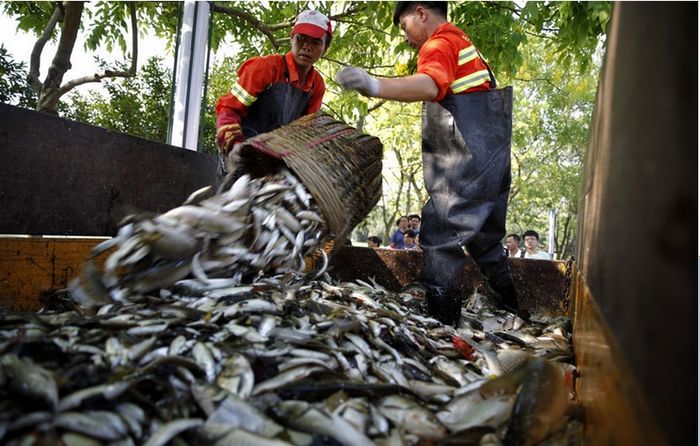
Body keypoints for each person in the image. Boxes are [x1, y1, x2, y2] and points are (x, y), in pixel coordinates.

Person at [335, 1, 523, 324]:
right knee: (486, 241)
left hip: (467, 157)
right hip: (492, 160)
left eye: (405, 26)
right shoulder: (464, 44)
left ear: (421, 12)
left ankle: (440, 323)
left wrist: (373, 84)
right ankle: (516, 309)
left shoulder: (439, 42)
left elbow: (430, 84)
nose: (406, 37)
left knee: (439, 232)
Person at [215, 10, 333, 175]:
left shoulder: (316, 85)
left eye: (315, 42)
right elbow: (229, 109)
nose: (307, 46)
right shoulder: (265, 68)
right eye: (301, 38)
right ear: (292, 39)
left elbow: (305, 132)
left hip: (276, 161)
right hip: (242, 152)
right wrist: (234, 145)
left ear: (325, 48)